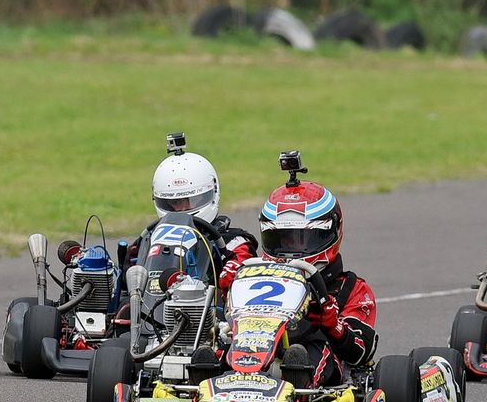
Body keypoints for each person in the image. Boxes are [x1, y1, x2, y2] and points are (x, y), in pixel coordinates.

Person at [257, 153, 377, 386]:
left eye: (301, 240)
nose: (291, 249)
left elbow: (362, 352)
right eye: (283, 240)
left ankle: (295, 382)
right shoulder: (256, 276)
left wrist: (334, 325)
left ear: (327, 234)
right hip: (257, 346)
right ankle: (207, 375)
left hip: (318, 358)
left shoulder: (350, 288)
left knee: (304, 354)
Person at [124, 133, 255, 292]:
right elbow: (124, 285)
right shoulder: (146, 241)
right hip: (148, 312)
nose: (181, 210)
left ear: (212, 192)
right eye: (174, 203)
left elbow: (244, 281)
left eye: (190, 201)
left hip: (209, 312)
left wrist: (230, 270)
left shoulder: (233, 244)